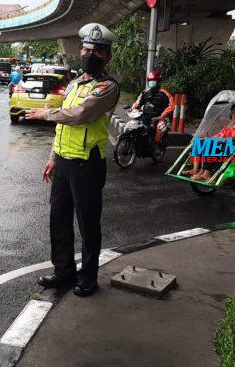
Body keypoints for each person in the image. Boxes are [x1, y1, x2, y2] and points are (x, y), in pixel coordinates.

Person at [24, 22, 120, 297]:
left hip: (87, 164)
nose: (89, 54)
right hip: (64, 162)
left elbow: (80, 115)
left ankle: (88, 276)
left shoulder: (107, 87)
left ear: (106, 56)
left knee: (88, 222)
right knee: (58, 218)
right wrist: (52, 156)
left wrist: (46, 114)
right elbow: (63, 126)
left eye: (97, 52)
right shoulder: (75, 84)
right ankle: (63, 271)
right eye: (86, 49)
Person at [185, 104, 235, 180]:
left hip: (228, 144)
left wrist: (217, 140)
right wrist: (210, 138)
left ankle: (205, 173)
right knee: (198, 141)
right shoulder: (231, 124)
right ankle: (196, 169)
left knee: (209, 143)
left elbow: (234, 138)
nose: (234, 115)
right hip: (219, 140)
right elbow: (220, 133)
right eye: (232, 113)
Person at [132, 70, 175, 153]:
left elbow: (171, 106)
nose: (151, 83)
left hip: (160, 117)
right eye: (150, 81)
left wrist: (161, 116)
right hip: (146, 116)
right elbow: (138, 102)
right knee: (136, 126)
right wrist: (133, 109)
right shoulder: (145, 92)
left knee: (157, 127)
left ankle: (157, 146)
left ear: (158, 82)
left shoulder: (165, 93)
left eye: (153, 81)